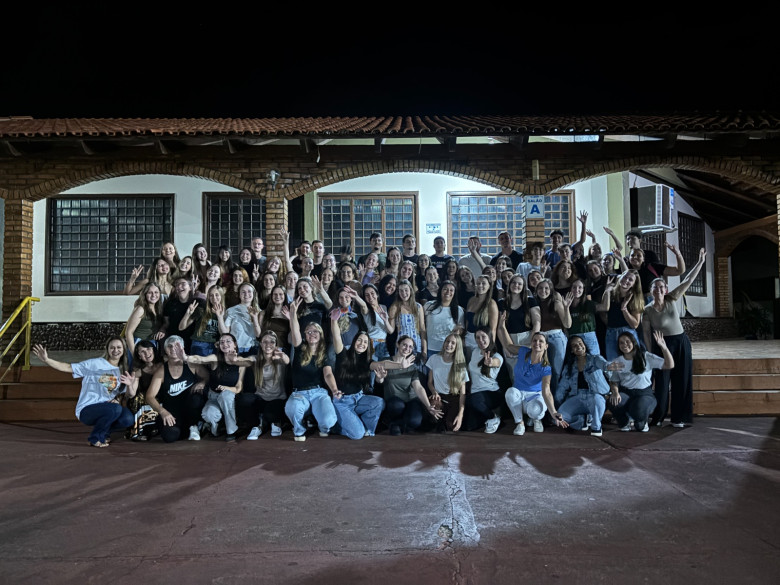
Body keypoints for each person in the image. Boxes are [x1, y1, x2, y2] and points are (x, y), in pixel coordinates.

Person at [644, 248, 707, 428]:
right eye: (655, 287)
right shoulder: (647, 310)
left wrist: (700, 262)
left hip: (681, 343)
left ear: (665, 289)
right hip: (662, 346)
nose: (659, 289)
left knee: (682, 380)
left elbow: (688, 280)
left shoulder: (671, 299)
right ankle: (658, 417)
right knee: (662, 383)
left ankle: (679, 417)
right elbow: (646, 333)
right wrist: (650, 353)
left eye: (661, 287)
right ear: (651, 290)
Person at [32, 338, 135, 448]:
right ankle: (95, 438)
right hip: (87, 409)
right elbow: (68, 367)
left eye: (119, 347)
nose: (115, 350)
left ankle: (105, 432)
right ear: (107, 349)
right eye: (112, 347)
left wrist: (129, 385)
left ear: (124, 350)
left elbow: (128, 394)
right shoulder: (95, 364)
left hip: (107, 408)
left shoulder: (121, 371)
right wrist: (47, 360)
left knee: (128, 418)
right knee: (116, 409)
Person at [282, 298, 338, 441]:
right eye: (308, 332)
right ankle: (299, 430)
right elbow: (295, 331)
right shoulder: (299, 348)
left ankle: (323, 427)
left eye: (315, 331)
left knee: (328, 420)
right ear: (305, 336)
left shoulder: (324, 353)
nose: (311, 334)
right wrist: (293, 313)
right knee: (292, 409)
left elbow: (328, 374)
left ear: (320, 334)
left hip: (318, 393)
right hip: (299, 393)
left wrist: (334, 390)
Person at [178, 333, 247, 442]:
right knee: (208, 414)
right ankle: (217, 426)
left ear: (235, 344)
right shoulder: (215, 359)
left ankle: (231, 431)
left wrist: (226, 388)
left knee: (225, 395)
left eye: (228, 341)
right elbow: (200, 359)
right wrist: (186, 357)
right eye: (222, 342)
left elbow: (238, 387)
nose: (225, 344)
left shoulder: (240, 362)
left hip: (231, 397)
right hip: (214, 396)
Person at [327, 324, 387, 439]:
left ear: (368, 346)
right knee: (357, 435)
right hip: (342, 402)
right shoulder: (343, 354)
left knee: (378, 402)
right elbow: (336, 336)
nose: (362, 343)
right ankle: (336, 427)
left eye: (365, 342)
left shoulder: (367, 362)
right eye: (359, 340)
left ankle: (364, 428)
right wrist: (333, 320)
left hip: (358, 398)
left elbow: (383, 364)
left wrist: (400, 365)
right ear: (354, 341)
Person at [145, 336, 209, 442]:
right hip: (172, 413)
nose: (173, 349)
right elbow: (149, 396)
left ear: (182, 348)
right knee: (170, 436)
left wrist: (203, 382)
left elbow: (207, 376)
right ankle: (189, 430)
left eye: (177, 346)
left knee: (196, 398)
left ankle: (194, 425)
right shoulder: (162, 371)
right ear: (165, 350)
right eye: (170, 346)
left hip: (190, 410)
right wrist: (162, 411)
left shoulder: (191, 364)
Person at [502, 332, 568, 435]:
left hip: (535, 396)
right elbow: (508, 346)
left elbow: (546, 391)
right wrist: (502, 327)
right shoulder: (523, 351)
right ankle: (520, 423)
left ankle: (536, 419)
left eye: (541, 341)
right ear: (531, 343)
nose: (537, 343)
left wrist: (554, 412)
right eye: (534, 340)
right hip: (519, 395)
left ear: (546, 346)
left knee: (536, 410)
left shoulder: (546, 368)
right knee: (510, 392)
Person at [609, 331, 673, 432]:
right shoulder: (617, 361)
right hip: (626, 392)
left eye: (627, 341)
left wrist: (664, 348)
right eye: (621, 342)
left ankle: (642, 422)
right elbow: (613, 381)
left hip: (644, 394)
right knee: (613, 402)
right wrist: (615, 392)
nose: (624, 344)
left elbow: (669, 365)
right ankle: (624, 422)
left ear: (633, 342)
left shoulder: (646, 356)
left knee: (638, 410)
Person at [556, 335, 619, 436]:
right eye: (574, 345)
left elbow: (605, 366)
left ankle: (596, 427)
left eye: (580, 343)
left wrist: (609, 367)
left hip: (595, 395)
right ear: (571, 350)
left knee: (596, 400)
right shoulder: (569, 367)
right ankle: (582, 419)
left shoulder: (595, 359)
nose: (578, 346)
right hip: (577, 397)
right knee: (560, 417)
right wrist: (557, 404)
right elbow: (562, 387)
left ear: (585, 345)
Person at [381, 336, 441, 435]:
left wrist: (429, 406)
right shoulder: (387, 361)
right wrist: (381, 378)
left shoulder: (412, 368)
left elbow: (418, 387)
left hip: (411, 400)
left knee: (415, 421)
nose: (407, 348)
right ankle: (394, 421)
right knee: (396, 405)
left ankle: (396, 424)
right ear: (398, 344)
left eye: (410, 347)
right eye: (404, 345)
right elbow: (378, 377)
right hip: (394, 401)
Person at [236, 330, 290, 439]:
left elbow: (286, 360)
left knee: (270, 414)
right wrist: (233, 359)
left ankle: (274, 421)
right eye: (265, 342)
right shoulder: (256, 359)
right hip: (261, 398)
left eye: (272, 342)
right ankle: (257, 425)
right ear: (260, 344)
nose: (268, 344)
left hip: (277, 399)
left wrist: (283, 355)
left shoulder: (279, 358)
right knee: (243, 399)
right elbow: (245, 360)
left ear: (276, 344)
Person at [528, 278, 571, 400]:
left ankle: (557, 401)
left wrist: (566, 308)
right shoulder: (534, 303)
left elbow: (567, 324)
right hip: (540, 339)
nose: (543, 291)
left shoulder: (555, 303)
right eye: (540, 288)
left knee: (556, 372)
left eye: (546, 288)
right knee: (543, 371)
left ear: (551, 290)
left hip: (555, 338)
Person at [498, 274, 540, 382]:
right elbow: (500, 327)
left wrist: (533, 342)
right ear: (509, 284)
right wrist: (505, 346)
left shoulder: (530, 301)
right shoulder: (502, 303)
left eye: (519, 284)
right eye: (514, 282)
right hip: (509, 340)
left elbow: (537, 322)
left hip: (527, 338)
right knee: (515, 375)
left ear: (523, 286)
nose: (516, 285)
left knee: (530, 373)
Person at [596, 270, 644, 361]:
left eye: (630, 280)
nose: (626, 280)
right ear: (620, 277)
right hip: (611, 332)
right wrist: (606, 291)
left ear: (634, 284)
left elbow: (635, 325)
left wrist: (624, 308)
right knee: (614, 364)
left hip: (627, 332)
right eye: (625, 277)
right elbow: (603, 311)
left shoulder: (634, 298)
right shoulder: (610, 293)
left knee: (632, 363)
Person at [426, 333, 469, 432]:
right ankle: (439, 422)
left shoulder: (460, 365)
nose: (449, 344)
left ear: (457, 346)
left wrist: (460, 415)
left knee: (452, 426)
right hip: (439, 397)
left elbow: (462, 394)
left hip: (454, 398)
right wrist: (434, 392)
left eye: (453, 343)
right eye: (447, 341)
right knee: (433, 417)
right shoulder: (434, 358)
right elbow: (429, 382)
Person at [464, 327, 504, 433]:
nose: (480, 340)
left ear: (490, 337)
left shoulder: (497, 356)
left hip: (491, 393)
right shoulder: (475, 352)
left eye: (483, 337)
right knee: (468, 426)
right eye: (477, 337)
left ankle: (493, 417)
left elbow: (496, 362)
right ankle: (486, 415)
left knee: (471, 400)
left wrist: (490, 362)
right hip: (475, 393)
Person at [126, 340, 162, 441]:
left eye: (149, 349)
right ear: (139, 355)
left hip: (162, 396)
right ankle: (138, 432)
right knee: (138, 399)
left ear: (153, 349)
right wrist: (129, 385)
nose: (147, 353)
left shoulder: (163, 363)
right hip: (145, 398)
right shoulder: (138, 370)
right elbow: (131, 393)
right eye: (142, 351)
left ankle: (155, 428)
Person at [386, 279, 427, 360]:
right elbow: (391, 330)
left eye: (406, 290)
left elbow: (422, 329)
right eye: (401, 291)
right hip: (401, 345)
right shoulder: (395, 307)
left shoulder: (418, 307)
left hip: (416, 344)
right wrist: (385, 320)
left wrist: (424, 350)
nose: (404, 293)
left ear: (410, 291)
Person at [179, 285, 226, 357]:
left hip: (215, 346)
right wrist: (187, 314)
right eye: (211, 295)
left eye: (217, 295)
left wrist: (220, 316)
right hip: (199, 344)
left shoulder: (226, 313)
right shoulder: (201, 310)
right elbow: (181, 327)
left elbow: (224, 333)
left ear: (221, 296)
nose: (214, 298)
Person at [424, 281, 465, 357]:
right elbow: (422, 326)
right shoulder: (429, 305)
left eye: (451, 290)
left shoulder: (459, 310)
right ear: (440, 291)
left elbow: (461, 330)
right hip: (431, 347)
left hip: (449, 349)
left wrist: (458, 331)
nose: (448, 292)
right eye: (445, 289)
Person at [125, 283, 165, 354]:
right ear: (145, 294)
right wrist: (134, 353)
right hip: (139, 345)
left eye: (156, 292)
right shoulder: (140, 309)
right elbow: (128, 332)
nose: (153, 295)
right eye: (150, 292)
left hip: (151, 345)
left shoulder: (158, 308)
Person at [464, 274, 499, 356]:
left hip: (481, 341)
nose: (480, 285)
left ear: (489, 286)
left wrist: (490, 348)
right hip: (467, 340)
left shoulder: (491, 304)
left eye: (483, 283)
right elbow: (467, 321)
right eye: (478, 283)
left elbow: (493, 329)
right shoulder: (471, 300)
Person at [222, 282, 261, 355]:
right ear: (239, 295)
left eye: (249, 291)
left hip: (253, 348)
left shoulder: (260, 312)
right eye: (243, 292)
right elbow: (226, 332)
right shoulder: (231, 310)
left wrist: (255, 318)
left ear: (253, 294)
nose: (246, 294)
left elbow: (258, 335)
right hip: (236, 348)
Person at [567, 278, 600, 356]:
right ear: (570, 289)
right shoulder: (566, 304)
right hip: (573, 337)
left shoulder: (589, 304)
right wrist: (566, 307)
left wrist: (607, 291)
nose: (577, 290)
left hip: (589, 335)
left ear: (583, 289)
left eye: (580, 287)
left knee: (594, 359)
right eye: (574, 287)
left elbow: (605, 307)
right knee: (576, 360)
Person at [362, 283, 391, 360]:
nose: (370, 297)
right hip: (372, 342)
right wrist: (355, 296)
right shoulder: (366, 309)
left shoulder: (383, 307)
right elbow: (363, 305)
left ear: (377, 294)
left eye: (372, 293)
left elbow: (389, 331)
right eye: (367, 295)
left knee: (385, 366)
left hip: (383, 343)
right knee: (374, 366)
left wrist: (386, 320)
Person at [260, 284, 292, 352]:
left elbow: (291, 337)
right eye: (275, 294)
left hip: (282, 350)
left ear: (285, 296)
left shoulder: (290, 314)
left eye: (280, 294)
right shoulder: (263, 313)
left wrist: (290, 319)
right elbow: (259, 335)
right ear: (271, 296)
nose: (277, 296)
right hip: (265, 350)